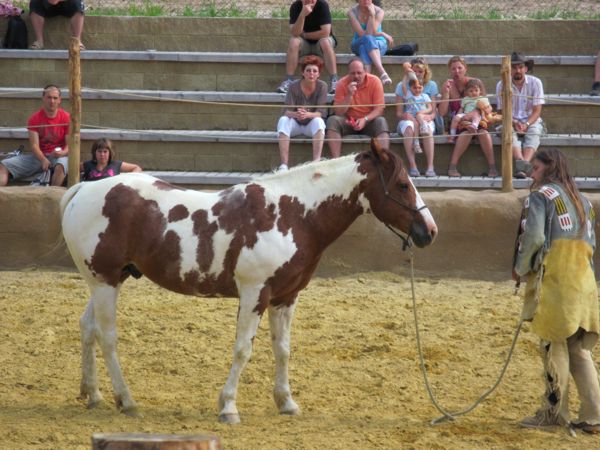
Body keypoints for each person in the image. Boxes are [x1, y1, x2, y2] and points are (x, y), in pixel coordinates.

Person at [513, 148, 600, 435]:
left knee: (553, 344)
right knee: (577, 348)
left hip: (557, 279)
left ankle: (554, 413)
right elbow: (593, 244)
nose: (532, 174)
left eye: (536, 168)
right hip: (584, 281)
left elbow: (535, 237)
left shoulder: (541, 196)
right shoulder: (583, 200)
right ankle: (593, 415)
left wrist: (522, 267)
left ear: (549, 169)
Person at [438, 56, 497, 178]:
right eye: (453, 68)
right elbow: (442, 113)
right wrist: (445, 94)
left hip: (478, 119)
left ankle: (492, 167)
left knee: (483, 133)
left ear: (466, 68)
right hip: (458, 121)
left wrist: (473, 113)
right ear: (450, 70)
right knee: (466, 133)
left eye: (460, 68)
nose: (457, 71)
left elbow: (485, 105)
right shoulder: (448, 85)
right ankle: (452, 167)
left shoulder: (476, 83)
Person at [0, 84, 70, 186]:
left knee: (61, 166)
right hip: (39, 157)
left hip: (59, 157)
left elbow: (71, 145)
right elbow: (34, 145)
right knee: (4, 165)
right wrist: (43, 159)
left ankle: (52, 197)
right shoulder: (34, 118)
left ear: (60, 100)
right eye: (49, 97)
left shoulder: (66, 117)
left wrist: (63, 153)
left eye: (55, 98)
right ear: (43, 98)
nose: (52, 101)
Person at [326, 57, 389, 158]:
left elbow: (379, 109)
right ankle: (336, 160)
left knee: (381, 121)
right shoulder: (341, 83)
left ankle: (384, 160)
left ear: (365, 72)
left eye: (359, 73)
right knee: (332, 120)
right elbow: (338, 112)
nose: (356, 76)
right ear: (348, 73)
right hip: (348, 121)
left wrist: (365, 119)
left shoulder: (375, 81)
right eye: (353, 73)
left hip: (368, 121)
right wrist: (349, 95)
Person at [496, 52, 545, 179]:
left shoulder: (536, 82)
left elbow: (537, 110)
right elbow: (502, 112)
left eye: (520, 67)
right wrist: (514, 122)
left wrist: (526, 124)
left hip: (531, 120)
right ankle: (523, 163)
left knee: (534, 131)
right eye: (514, 67)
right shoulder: (501, 85)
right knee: (507, 130)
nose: (517, 70)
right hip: (510, 120)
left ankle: (522, 165)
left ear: (526, 68)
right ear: (509, 69)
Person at [276, 55, 328, 172]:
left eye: (315, 71)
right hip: (295, 124)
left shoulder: (322, 86)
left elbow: (322, 112)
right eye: (308, 70)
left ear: (319, 74)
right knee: (283, 120)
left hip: (311, 126)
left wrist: (308, 115)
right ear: (303, 72)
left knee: (319, 122)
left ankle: (316, 163)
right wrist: (296, 114)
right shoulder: (294, 86)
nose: (311, 74)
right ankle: (284, 165)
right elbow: (286, 111)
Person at [277, 0, 338, 95]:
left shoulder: (322, 5)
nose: (310, 1)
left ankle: (335, 81)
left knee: (325, 41)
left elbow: (325, 32)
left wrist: (305, 35)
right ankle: (288, 81)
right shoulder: (296, 6)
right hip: (304, 44)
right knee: (293, 41)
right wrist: (302, 15)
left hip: (321, 43)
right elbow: (295, 33)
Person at [395, 67, 435, 177]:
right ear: (411, 88)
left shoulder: (425, 96)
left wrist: (423, 112)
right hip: (410, 118)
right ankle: (413, 165)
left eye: (419, 87)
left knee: (423, 125)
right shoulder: (408, 95)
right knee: (413, 125)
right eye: (415, 88)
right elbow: (403, 85)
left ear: (423, 87)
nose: (417, 89)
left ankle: (430, 167)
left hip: (421, 117)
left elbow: (430, 108)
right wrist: (406, 75)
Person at [348, 0, 393, 86]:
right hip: (358, 42)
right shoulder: (352, 12)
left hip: (378, 44)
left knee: (363, 48)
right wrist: (382, 33)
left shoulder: (379, 11)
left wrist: (372, 14)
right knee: (366, 40)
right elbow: (364, 34)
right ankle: (382, 72)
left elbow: (371, 32)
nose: (365, 0)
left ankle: (365, 81)